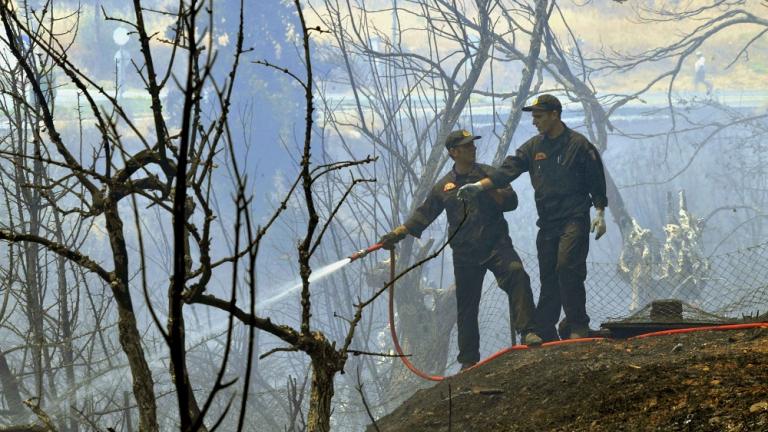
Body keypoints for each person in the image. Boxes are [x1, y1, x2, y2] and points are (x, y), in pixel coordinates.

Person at [379, 129, 540, 370]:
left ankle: (528, 332)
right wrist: (397, 234)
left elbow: (512, 202)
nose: (472, 149)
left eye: (472, 145)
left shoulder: (490, 174)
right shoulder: (444, 186)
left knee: (517, 274)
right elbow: (424, 214)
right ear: (453, 153)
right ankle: (468, 360)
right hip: (465, 254)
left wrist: (486, 188)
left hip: (497, 245)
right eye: (466, 146)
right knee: (466, 305)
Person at [457, 94, 608, 341]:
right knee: (549, 276)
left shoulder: (579, 145)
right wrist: (479, 186)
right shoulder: (533, 148)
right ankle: (546, 330)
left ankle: (577, 326)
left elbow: (596, 181)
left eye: (538, 116)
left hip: (574, 218)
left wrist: (600, 212)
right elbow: (507, 171)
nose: (535, 121)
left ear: (554, 115)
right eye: (533, 117)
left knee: (567, 267)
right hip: (547, 224)